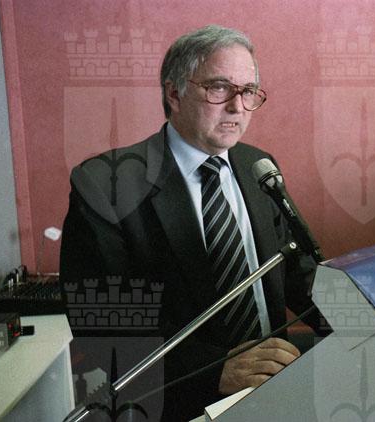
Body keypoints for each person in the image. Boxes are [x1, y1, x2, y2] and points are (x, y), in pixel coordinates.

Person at [60, 25, 327, 421]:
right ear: (174, 93)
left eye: (248, 91)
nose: (237, 107)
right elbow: (104, 328)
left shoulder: (257, 165)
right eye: (219, 88)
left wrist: (368, 324)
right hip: (178, 405)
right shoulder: (106, 185)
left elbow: (297, 273)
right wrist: (215, 370)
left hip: (274, 392)